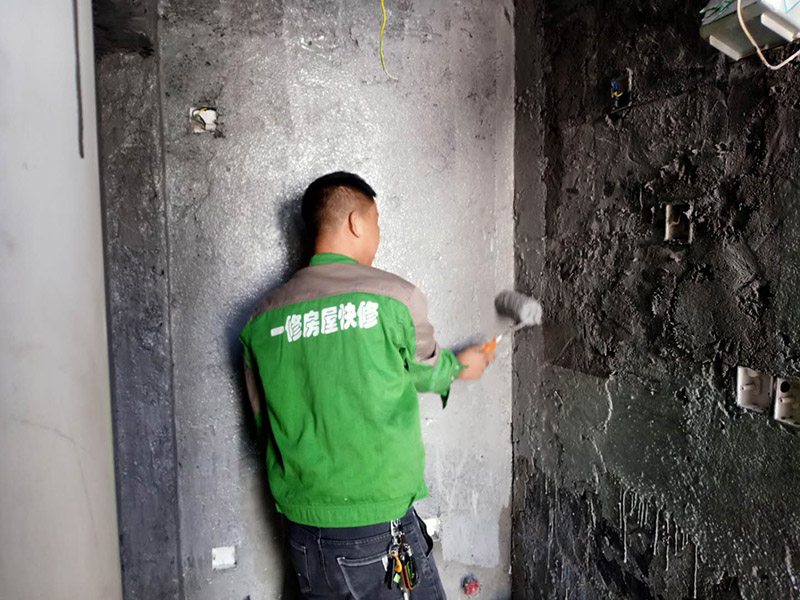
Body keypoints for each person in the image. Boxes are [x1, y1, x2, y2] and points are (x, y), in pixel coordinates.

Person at [240, 172, 495, 599]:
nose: (377, 235)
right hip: (375, 532)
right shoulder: (393, 298)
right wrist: (466, 364)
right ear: (355, 222)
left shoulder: (261, 319)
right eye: (376, 222)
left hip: (303, 534)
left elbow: (263, 424)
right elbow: (431, 372)